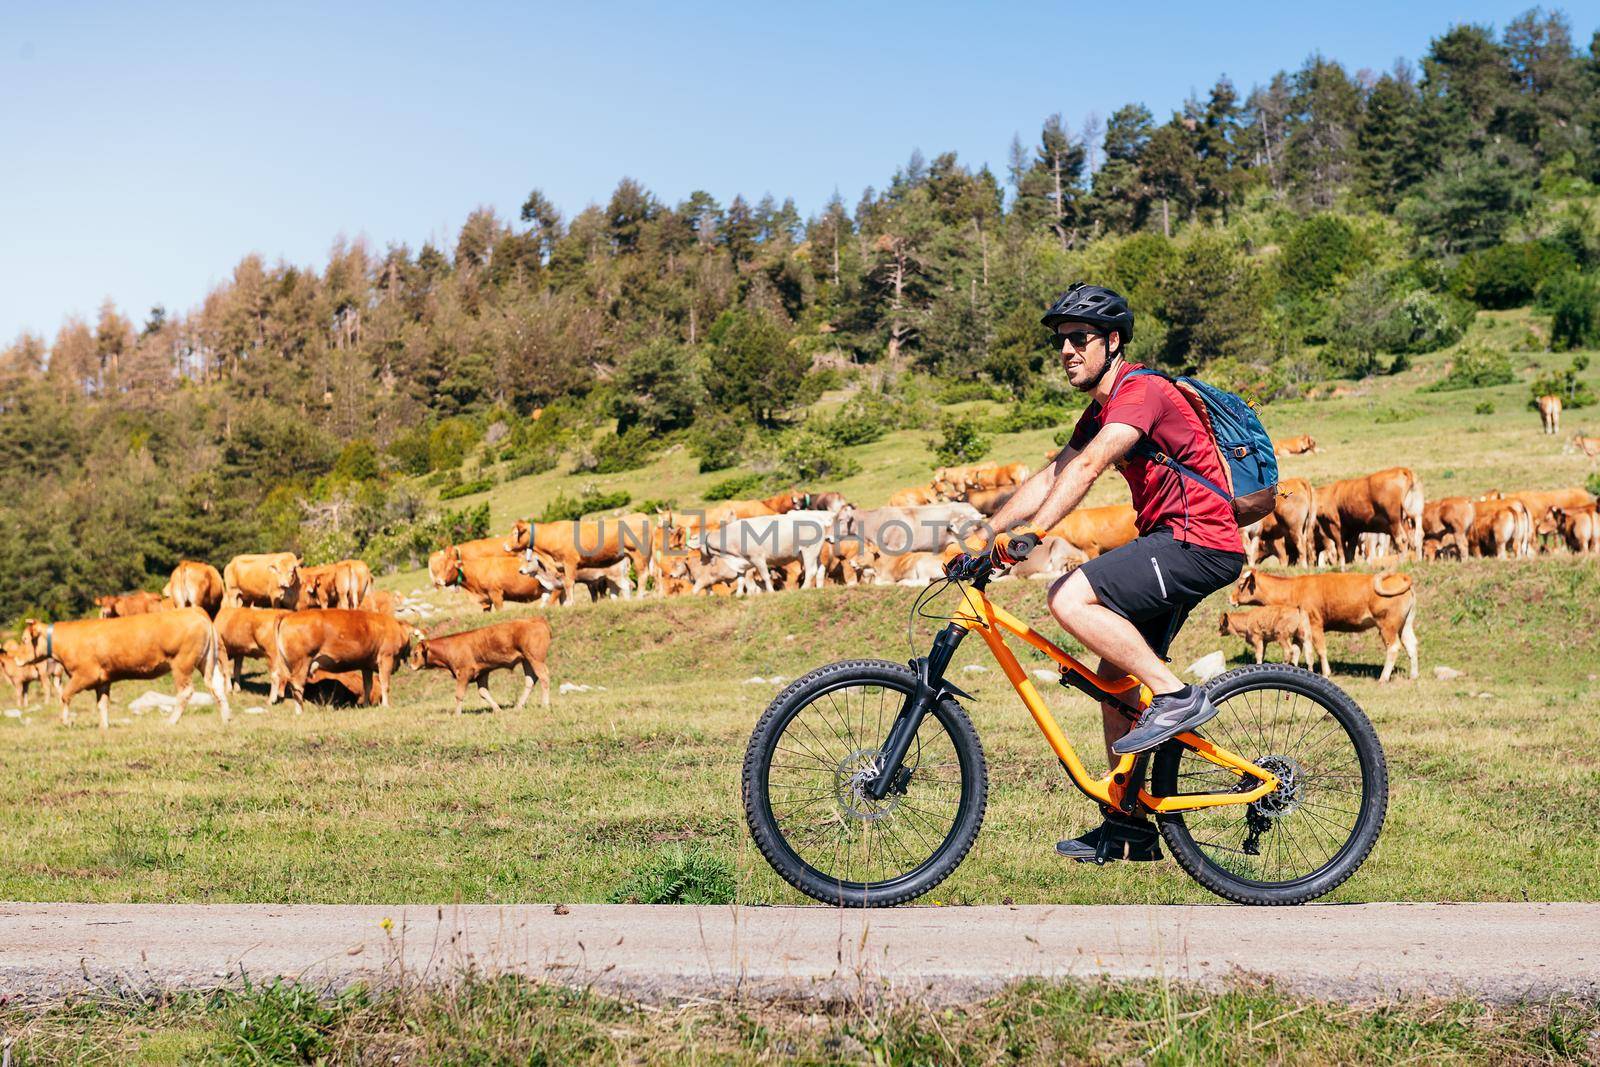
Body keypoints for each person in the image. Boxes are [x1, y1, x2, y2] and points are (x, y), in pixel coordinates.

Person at [948, 283, 1245, 863]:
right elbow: (1051, 471)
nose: (1066, 351)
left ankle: (1177, 696)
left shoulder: (1143, 392)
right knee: (1114, 680)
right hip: (1172, 542)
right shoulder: (1102, 409)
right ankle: (1129, 824)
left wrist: (1031, 537)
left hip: (1197, 541)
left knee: (1069, 596)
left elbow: (1088, 467)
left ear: (1112, 342)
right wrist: (985, 537)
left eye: (1078, 339)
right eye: (1060, 342)